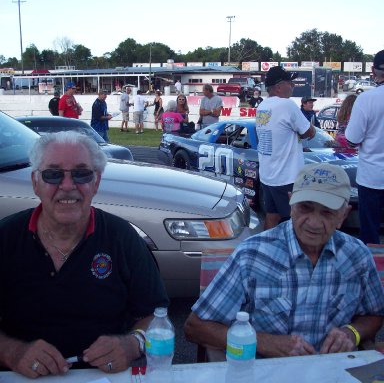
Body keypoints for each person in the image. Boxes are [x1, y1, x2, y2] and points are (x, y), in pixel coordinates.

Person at [0, 131, 169, 378]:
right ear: (35, 182)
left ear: (96, 182)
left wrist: (132, 345)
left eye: (81, 173)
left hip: (105, 376)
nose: (67, 186)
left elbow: (157, 315)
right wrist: (12, 352)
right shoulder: (5, 237)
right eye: (53, 174)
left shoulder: (122, 238)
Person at [185, 162, 384, 359]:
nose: (314, 223)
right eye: (305, 208)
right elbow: (196, 327)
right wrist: (264, 342)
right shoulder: (252, 255)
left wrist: (352, 332)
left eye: (327, 212)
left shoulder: (357, 256)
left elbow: (374, 314)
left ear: (344, 215)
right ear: (291, 204)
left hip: (332, 372)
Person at [255, 66, 316, 230]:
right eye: (290, 82)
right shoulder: (287, 105)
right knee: (299, 220)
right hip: (287, 177)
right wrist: (312, 128)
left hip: (268, 174)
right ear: (279, 86)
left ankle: (267, 250)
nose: (293, 86)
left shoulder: (262, 106)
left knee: (272, 215)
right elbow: (308, 133)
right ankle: (295, 254)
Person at [345, 49, 384, 245]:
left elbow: (352, 139)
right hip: (371, 178)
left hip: (372, 178)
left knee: (370, 238)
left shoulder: (366, 99)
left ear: (373, 70)